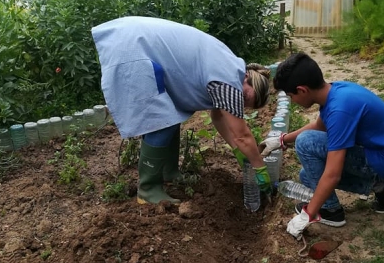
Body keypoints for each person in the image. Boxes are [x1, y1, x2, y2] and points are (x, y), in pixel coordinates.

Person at [92, 16, 272, 205]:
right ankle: (148, 189)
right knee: (160, 121)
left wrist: (237, 151)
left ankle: (168, 173)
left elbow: (218, 116)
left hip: (136, 41)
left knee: (169, 116)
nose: (239, 102)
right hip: (134, 48)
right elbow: (242, 135)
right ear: (248, 79)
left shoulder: (230, 66)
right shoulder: (228, 80)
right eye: (245, 97)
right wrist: (260, 169)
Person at [259, 52, 384, 235]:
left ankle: (331, 211)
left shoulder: (339, 110)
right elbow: (318, 126)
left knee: (306, 143)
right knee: (307, 176)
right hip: (382, 155)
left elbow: (333, 175)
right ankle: (383, 187)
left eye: (291, 96)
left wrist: (308, 214)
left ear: (302, 90)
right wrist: (281, 140)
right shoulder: (335, 92)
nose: (293, 101)